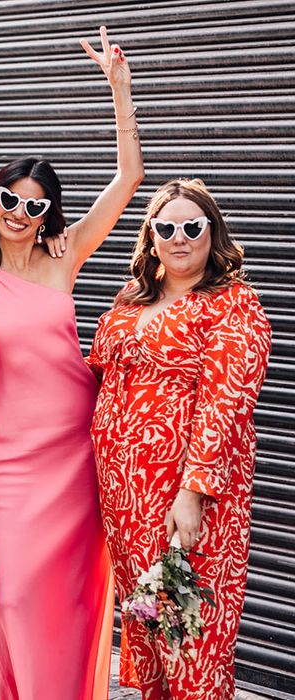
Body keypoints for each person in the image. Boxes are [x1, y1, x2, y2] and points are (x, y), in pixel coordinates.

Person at [0, 26, 145, 699]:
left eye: (35, 206)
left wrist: (119, 90)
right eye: (11, 200)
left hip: (81, 457)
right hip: (18, 469)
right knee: (19, 602)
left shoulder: (66, 258)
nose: (21, 214)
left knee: (75, 606)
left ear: (47, 213)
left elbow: (129, 180)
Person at [87, 178, 271, 699]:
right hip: (125, 501)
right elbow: (96, 379)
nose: (179, 237)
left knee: (192, 635)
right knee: (146, 634)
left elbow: (226, 402)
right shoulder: (130, 301)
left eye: (192, 226)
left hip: (188, 502)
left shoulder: (232, 303)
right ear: (151, 237)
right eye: (166, 227)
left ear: (213, 232)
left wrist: (193, 492)